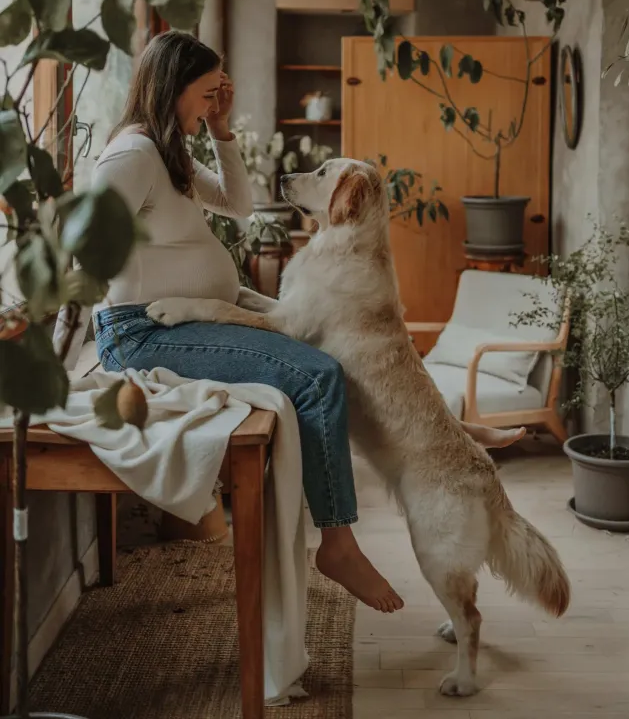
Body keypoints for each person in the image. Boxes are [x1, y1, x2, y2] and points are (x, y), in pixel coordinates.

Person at [92, 30, 524, 614]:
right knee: (319, 373)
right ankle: (339, 543)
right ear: (172, 87)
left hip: (176, 323)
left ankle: (443, 436)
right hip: (141, 334)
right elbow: (89, 251)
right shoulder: (132, 155)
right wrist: (162, 290)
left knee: (337, 360)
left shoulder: (167, 152)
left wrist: (220, 131)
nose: (213, 105)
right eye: (207, 95)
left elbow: (239, 205)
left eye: (220, 96)